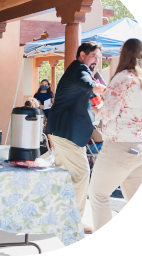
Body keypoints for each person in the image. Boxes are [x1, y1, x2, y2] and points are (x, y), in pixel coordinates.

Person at [88, 38, 142, 232]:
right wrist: (107, 92)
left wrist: (96, 103)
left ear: (124, 54)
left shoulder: (123, 77)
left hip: (121, 148)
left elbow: (107, 114)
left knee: (98, 194)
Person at [45, 41, 106, 233]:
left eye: (98, 57)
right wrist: (107, 90)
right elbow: (88, 84)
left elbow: (83, 102)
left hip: (66, 131)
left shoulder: (80, 71)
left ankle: (58, 218)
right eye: (94, 56)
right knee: (81, 173)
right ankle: (73, 222)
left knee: (65, 176)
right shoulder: (79, 69)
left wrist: (98, 110)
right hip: (66, 132)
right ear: (82, 55)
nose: (97, 60)